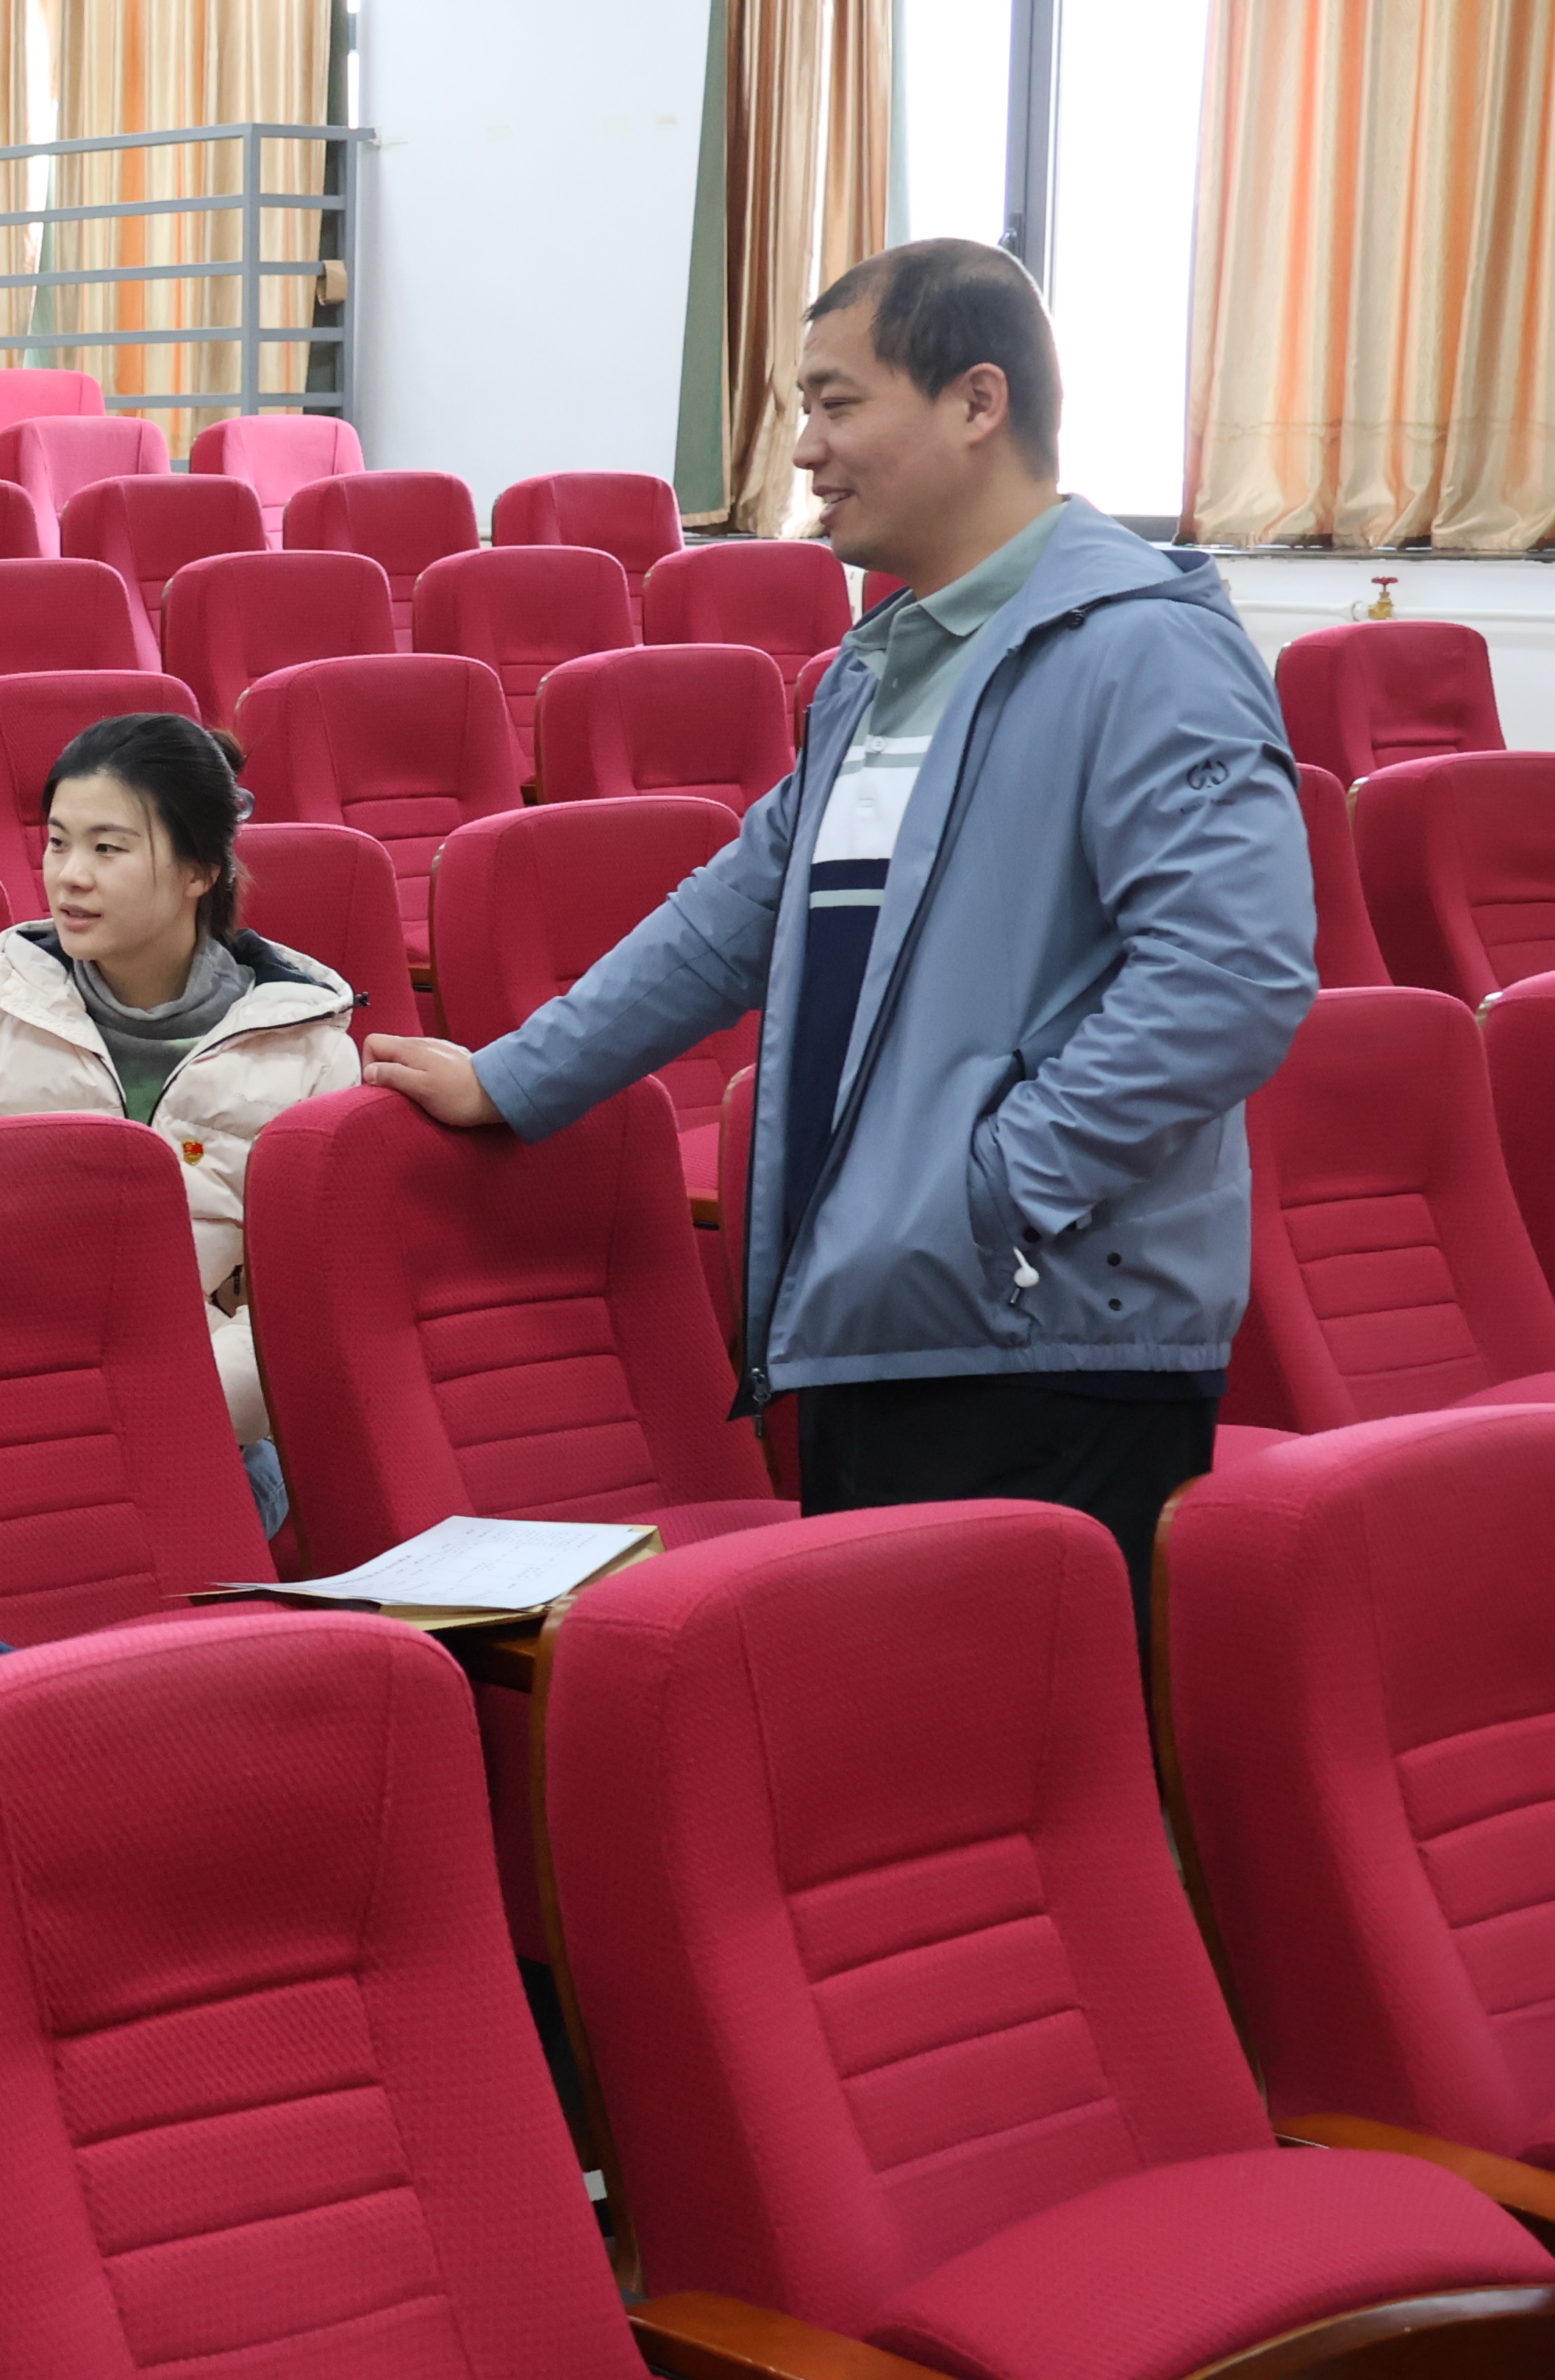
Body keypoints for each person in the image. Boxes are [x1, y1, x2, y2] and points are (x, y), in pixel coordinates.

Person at [364, 240, 1315, 1615]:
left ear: (977, 402)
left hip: (1044, 1335)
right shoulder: (889, 665)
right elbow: (738, 914)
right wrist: (517, 1076)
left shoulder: (1142, 648)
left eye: (837, 403)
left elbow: (1230, 981)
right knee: (884, 1729)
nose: (806, 450)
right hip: (889, 1312)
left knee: (999, 1731)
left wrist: (990, 1195)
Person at [0, 714, 360, 1535]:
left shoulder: (305, 1049)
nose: (70, 876)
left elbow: (301, 1309)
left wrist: (148, 1407)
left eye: (108, 848)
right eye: (57, 842)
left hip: (202, 1424)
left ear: (201, 869)